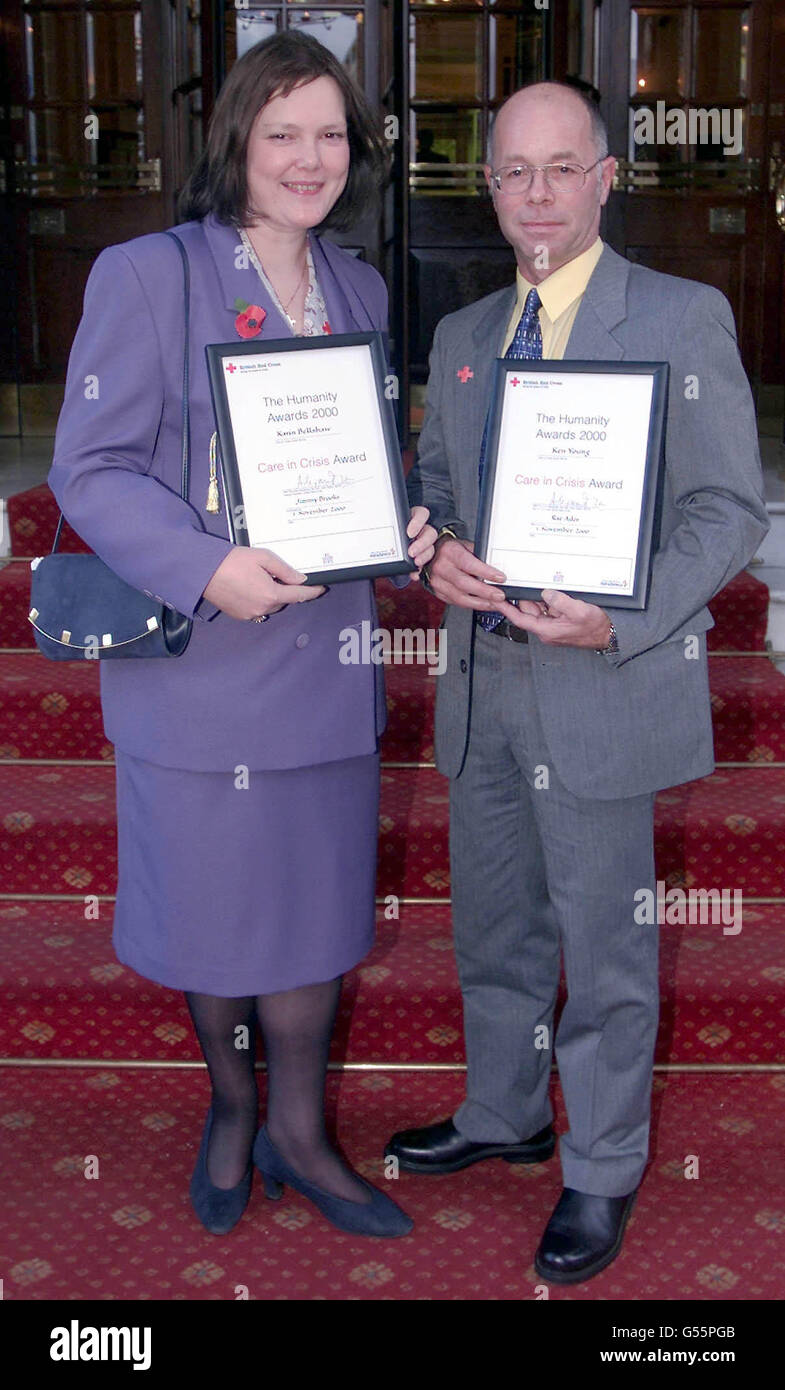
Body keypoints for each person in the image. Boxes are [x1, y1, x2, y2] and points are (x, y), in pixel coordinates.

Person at [49, 31, 435, 1240]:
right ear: (236, 143)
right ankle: (230, 1109)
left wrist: (403, 517)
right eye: (283, 132)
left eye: (331, 133)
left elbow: (359, 460)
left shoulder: (363, 286)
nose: (309, 157)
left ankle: (302, 1133)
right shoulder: (147, 273)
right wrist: (210, 562)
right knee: (218, 911)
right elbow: (92, 467)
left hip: (324, 665)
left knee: (315, 909)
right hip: (203, 664)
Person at [388, 80, 768, 1281]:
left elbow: (723, 508)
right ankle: (506, 1113)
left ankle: (599, 1169)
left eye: (561, 168)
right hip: (483, 683)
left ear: (608, 178)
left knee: (602, 944)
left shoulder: (679, 315)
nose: (536, 192)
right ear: (488, 186)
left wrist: (623, 618)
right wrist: (428, 544)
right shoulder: (458, 338)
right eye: (512, 171)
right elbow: (439, 490)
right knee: (493, 929)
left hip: (603, 681)